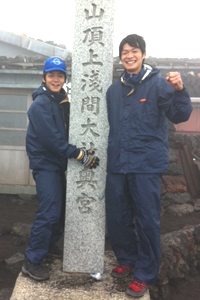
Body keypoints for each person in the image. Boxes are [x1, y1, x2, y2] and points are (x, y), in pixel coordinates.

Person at [105, 34, 192, 298]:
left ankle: (145, 273)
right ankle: (127, 259)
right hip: (118, 163)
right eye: (124, 52)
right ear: (120, 58)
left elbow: (179, 114)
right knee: (118, 218)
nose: (128, 55)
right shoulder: (113, 90)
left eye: (133, 51)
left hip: (145, 165)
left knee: (146, 220)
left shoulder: (158, 85)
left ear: (143, 54)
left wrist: (180, 90)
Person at [22, 56, 99, 281]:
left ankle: (48, 246)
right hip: (45, 164)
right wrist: (79, 154)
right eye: (51, 75)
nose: (56, 79)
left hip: (56, 165)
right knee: (49, 211)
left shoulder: (60, 101)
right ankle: (32, 260)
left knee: (61, 209)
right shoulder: (40, 104)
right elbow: (51, 140)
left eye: (60, 75)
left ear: (65, 78)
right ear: (44, 78)